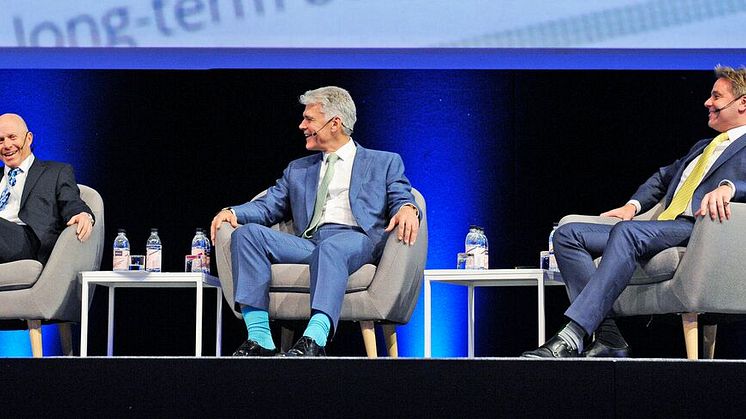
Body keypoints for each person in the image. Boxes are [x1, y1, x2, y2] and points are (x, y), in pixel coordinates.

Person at [523, 65, 746, 358]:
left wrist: (730, 187)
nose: (707, 102)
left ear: (742, 103)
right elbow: (662, 178)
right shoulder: (704, 146)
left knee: (628, 234)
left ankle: (573, 334)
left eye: (716, 97)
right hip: (659, 228)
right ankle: (609, 337)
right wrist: (632, 207)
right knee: (568, 235)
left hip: (697, 228)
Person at [210, 86, 420, 357]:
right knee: (247, 235)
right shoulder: (298, 169)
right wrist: (233, 212)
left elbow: (401, 194)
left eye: (309, 119)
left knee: (331, 249)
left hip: (356, 239)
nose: (302, 125)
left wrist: (407, 207)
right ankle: (260, 338)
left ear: (335, 123)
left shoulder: (384, 162)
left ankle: (314, 339)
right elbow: (270, 205)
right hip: (309, 242)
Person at [0, 113, 95, 266]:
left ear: (28, 138)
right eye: (1, 140)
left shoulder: (55, 172)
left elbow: (71, 202)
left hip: (28, 242)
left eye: (12, 137)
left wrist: (82, 214)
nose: (6, 145)